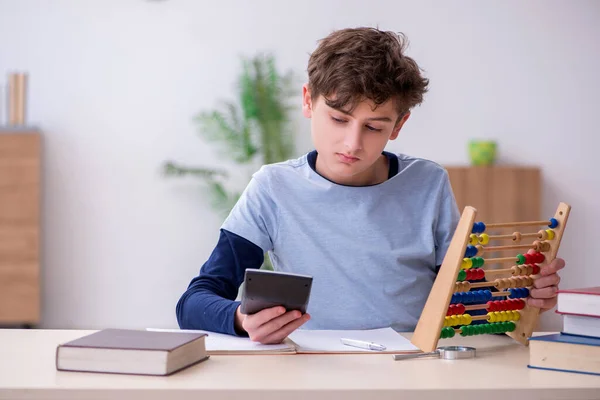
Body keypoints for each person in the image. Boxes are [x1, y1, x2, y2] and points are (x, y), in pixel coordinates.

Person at [176, 27, 565, 344]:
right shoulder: (273, 188)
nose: (352, 144)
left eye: (374, 127)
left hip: (412, 363)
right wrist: (241, 319)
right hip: (311, 365)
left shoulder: (428, 183)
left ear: (398, 126)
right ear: (309, 101)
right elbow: (195, 301)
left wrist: (521, 300)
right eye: (339, 119)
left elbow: (467, 303)